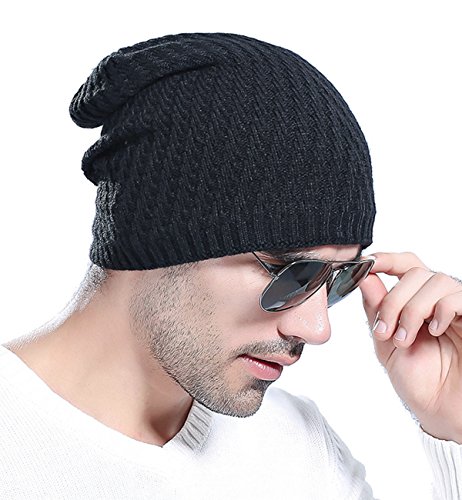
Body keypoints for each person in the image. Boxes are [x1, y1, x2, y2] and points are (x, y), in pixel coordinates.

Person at [0, 32, 460, 499]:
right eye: (289, 271)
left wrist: (455, 427)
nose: (317, 328)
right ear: (158, 238)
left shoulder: (298, 452)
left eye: (338, 278)